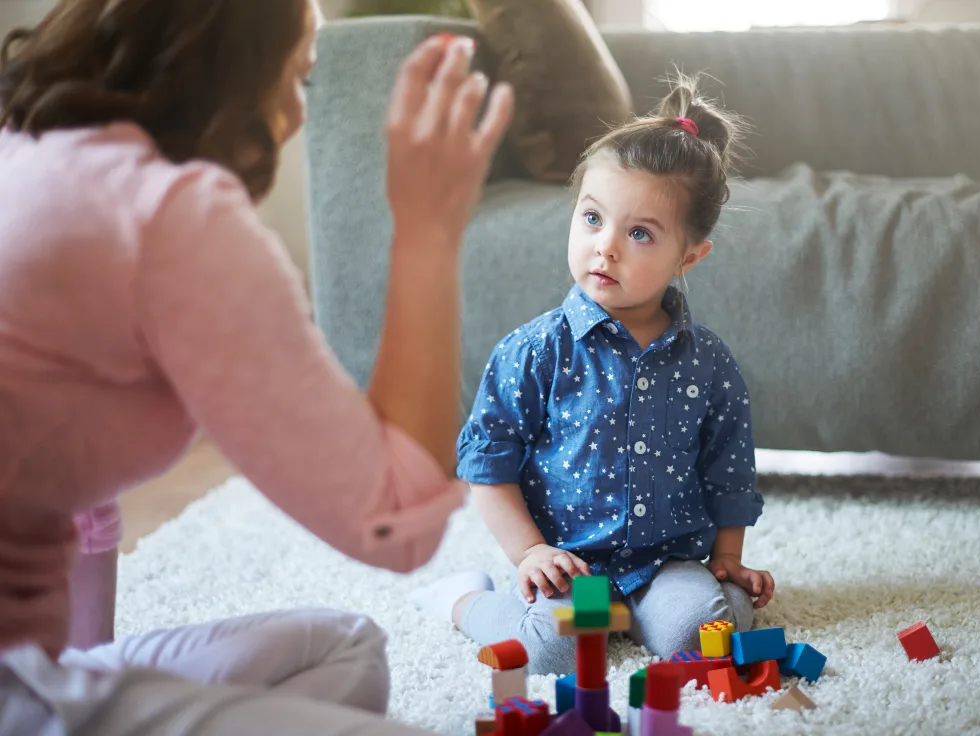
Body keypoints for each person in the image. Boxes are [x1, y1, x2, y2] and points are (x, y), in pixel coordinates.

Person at [0, 0, 513, 732]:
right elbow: (393, 525)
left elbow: (82, 504)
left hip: (36, 669)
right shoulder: (171, 213)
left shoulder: (31, 146)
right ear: (231, 64)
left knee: (344, 651)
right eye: (296, 78)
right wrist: (427, 229)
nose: (296, 114)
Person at [409, 76, 775, 676]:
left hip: (667, 562)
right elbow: (487, 465)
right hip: (570, 562)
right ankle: (461, 598)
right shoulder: (533, 351)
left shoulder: (709, 362)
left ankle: (670, 607)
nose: (605, 247)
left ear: (688, 256)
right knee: (552, 651)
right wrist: (530, 553)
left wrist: (728, 556)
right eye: (591, 218)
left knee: (699, 635)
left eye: (639, 234)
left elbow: (728, 467)